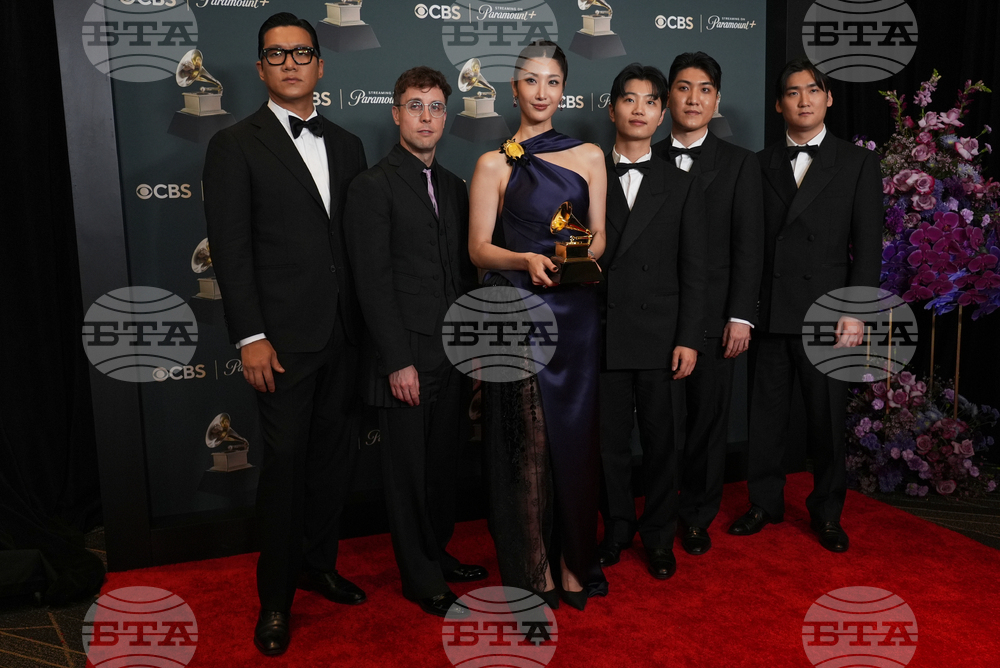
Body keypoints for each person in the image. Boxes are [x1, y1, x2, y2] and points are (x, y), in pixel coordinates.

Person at [203, 12, 368, 656]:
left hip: (344, 335)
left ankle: (318, 565)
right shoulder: (234, 145)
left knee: (333, 461)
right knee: (284, 468)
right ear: (262, 69)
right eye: (277, 55)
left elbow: (353, 245)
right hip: (281, 343)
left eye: (302, 54)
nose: (291, 64)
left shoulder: (350, 144)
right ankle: (275, 600)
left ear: (321, 65)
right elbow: (231, 249)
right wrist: (250, 337)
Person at [468, 40, 608, 610]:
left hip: (577, 313)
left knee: (574, 444)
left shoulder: (591, 155)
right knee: (527, 450)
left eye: (553, 82)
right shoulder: (492, 162)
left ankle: (576, 562)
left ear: (564, 89)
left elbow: (599, 235)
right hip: (520, 313)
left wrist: (580, 261)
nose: (542, 92)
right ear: (514, 88)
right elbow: (478, 249)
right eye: (532, 81)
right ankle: (536, 572)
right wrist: (524, 260)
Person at [343, 66, 486, 619]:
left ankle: (438, 552)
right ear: (396, 113)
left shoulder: (453, 186)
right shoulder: (372, 186)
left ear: (446, 116)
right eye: (415, 105)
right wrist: (396, 361)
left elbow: (462, 275)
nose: (426, 116)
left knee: (444, 466)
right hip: (406, 359)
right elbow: (372, 283)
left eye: (435, 107)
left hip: (452, 356)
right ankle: (420, 577)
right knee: (406, 473)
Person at [727, 57, 882, 552]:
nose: (804, 100)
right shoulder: (759, 162)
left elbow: (869, 245)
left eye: (813, 90)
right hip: (771, 312)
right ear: (779, 105)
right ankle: (764, 503)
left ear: (828, 98)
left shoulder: (858, 163)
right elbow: (748, 247)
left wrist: (856, 309)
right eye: (793, 93)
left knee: (826, 423)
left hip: (831, 313)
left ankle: (828, 512)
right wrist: (742, 313)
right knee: (766, 419)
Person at [649, 52, 764, 557]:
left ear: (716, 100)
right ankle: (653, 517)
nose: (692, 99)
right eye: (682, 88)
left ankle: (696, 515)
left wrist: (741, 314)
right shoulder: (642, 157)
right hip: (655, 317)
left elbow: (749, 245)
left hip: (718, 317)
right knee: (658, 424)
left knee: (707, 422)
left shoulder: (741, 164)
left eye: (703, 90)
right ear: (666, 96)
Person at [596, 63, 707, 581]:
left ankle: (659, 535)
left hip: (663, 338)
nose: (639, 110)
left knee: (664, 444)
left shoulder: (682, 185)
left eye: (649, 102)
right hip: (603, 335)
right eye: (629, 100)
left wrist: (688, 337)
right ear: (612, 107)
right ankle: (617, 529)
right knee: (609, 444)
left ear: (662, 114)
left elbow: (695, 270)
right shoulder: (587, 174)